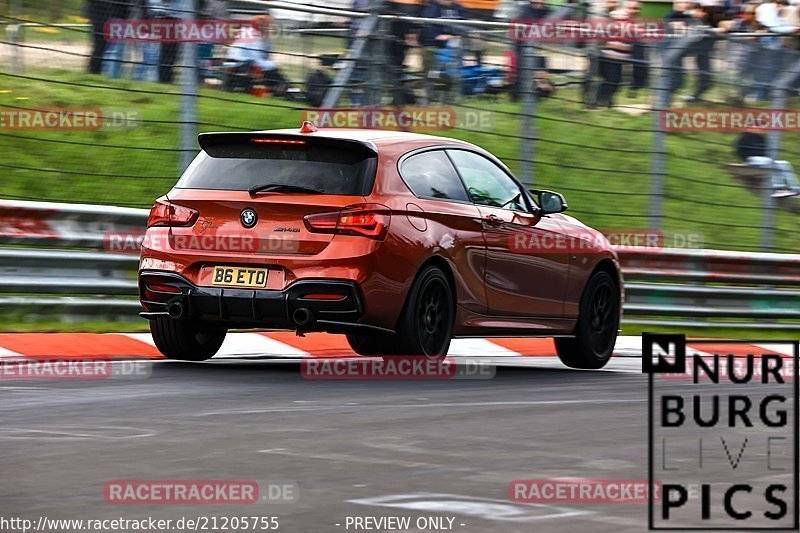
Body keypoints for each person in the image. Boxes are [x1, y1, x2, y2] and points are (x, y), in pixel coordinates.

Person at [418, 0, 464, 103]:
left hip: (453, 47)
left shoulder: (459, 8)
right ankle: (428, 97)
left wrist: (456, 35)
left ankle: (451, 98)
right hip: (434, 47)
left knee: (453, 75)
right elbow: (425, 28)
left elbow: (465, 25)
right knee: (432, 74)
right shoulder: (431, 9)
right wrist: (437, 37)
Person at [754, 0, 798, 100]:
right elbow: (775, 27)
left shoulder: (775, 12)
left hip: (773, 46)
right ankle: (761, 96)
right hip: (766, 46)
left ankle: (766, 95)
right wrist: (794, 29)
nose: (781, 9)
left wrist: (793, 28)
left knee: (771, 71)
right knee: (765, 72)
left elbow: (781, 24)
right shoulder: (767, 8)